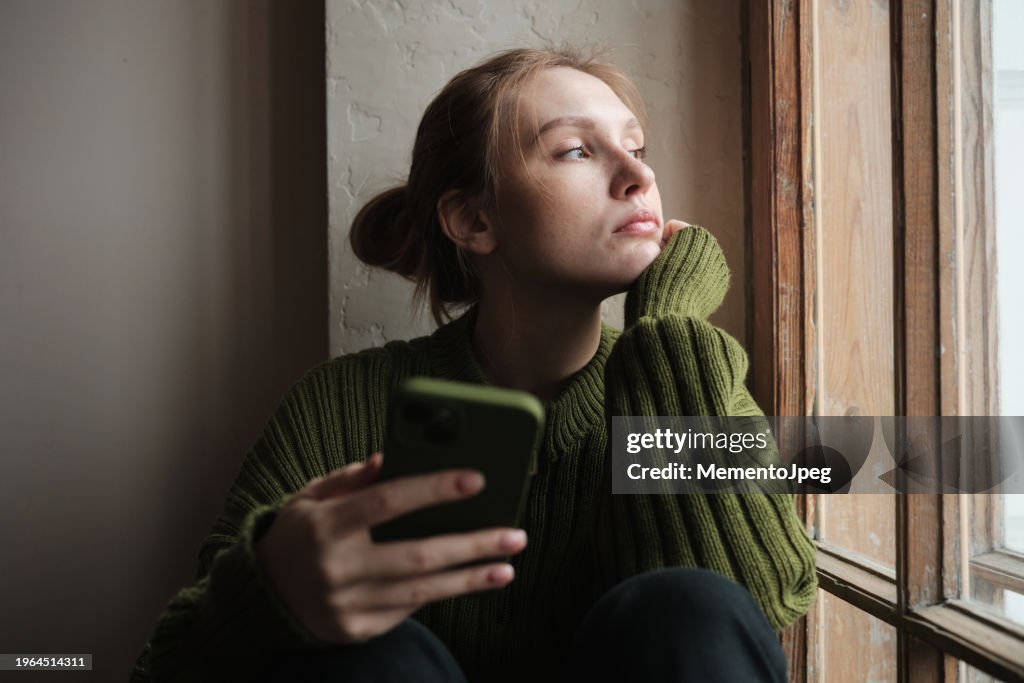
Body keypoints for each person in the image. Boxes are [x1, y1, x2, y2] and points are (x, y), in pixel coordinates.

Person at [131, 46, 817, 683]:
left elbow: (743, 612)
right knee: (369, 648)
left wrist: (669, 331)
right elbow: (168, 665)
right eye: (578, 150)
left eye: (636, 148)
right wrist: (274, 591)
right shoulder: (344, 405)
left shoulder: (685, 375)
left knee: (685, 604)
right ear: (472, 221)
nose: (640, 174)